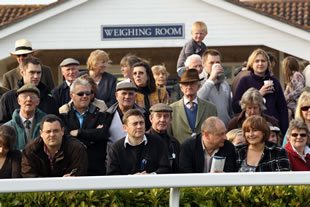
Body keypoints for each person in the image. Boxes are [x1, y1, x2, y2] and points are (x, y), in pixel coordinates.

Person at [59, 78, 109, 176]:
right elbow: (65, 138)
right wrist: (92, 136)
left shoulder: (99, 114)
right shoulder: (64, 115)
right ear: (71, 95)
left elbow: (103, 134)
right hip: (70, 167)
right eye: (80, 94)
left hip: (95, 169)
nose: (85, 96)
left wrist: (79, 133)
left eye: (87, 93)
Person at [232, 48, 288, 135]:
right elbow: (235, 106)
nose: (260, 63)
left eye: (263, 61)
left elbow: (282, 108)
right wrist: (258, 95)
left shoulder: (274, 82)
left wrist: (284, 131)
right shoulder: (245, 81)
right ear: (251, 64)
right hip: (250, 128)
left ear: (267, 63)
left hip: (272, 127)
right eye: (257, 61)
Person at [106, 109, 171, 175]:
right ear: (125, 128)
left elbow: (165, 168)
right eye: (135, 124)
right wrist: (132, 179)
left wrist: (151, 176)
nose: (139, 126)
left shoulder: (157, 142)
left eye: (141, 123)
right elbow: (112, 173)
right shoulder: (116, 148)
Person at [21, 114, 88, 177]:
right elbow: (28, 175)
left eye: (56, 131)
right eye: (48, 131)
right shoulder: (30, 150)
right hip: (39, 188)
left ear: (62, 131)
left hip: (68, 187)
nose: (52, 135)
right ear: (41, 133)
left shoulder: (76, 148)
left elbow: (79, 173)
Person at [0, 57, 57, 124]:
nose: (36, 76)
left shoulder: (49, 97)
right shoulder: (8, 97)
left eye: (38, 73)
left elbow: (55, 122)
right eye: (32, 72)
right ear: (22, 72)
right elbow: (2, 125)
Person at [168, 69, 217, 143]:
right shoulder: (171, 109)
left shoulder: (211, 108)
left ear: (199, 86)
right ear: (181, 88)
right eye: (185, 84)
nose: (189, 86)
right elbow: (169, 136)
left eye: (192, 83)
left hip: (204, 152)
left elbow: (215, 133)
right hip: (180, 152)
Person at [106, 82, 151, 147]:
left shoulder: (145, 115)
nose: (127, 97)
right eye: (124, 93)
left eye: (130, 94)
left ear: (135, 96)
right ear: (116, 96)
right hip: (114, 155)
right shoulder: (107, 115)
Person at [197, 49, 233, 127]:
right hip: (209, 129)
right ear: (203, 64)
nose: (215, 65)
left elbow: (230, 109)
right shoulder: (198, 81)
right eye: (211, 63)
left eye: (218, 62)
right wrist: (211, 79)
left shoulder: (225, 83)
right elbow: (198, 98)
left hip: (225, 128)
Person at [5, 84, 46, 150]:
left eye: (32, 96)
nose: (29, 99)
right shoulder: (8, 127)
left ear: (38, 101)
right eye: (25, 96)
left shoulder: (46, 125)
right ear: (18, 101)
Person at [148, 103, 180, 173]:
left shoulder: (174, 143)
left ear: (170, 119)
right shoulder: (144, 140)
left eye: (166, 116)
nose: (162, 120)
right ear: (151, 118)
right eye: (158, 116)